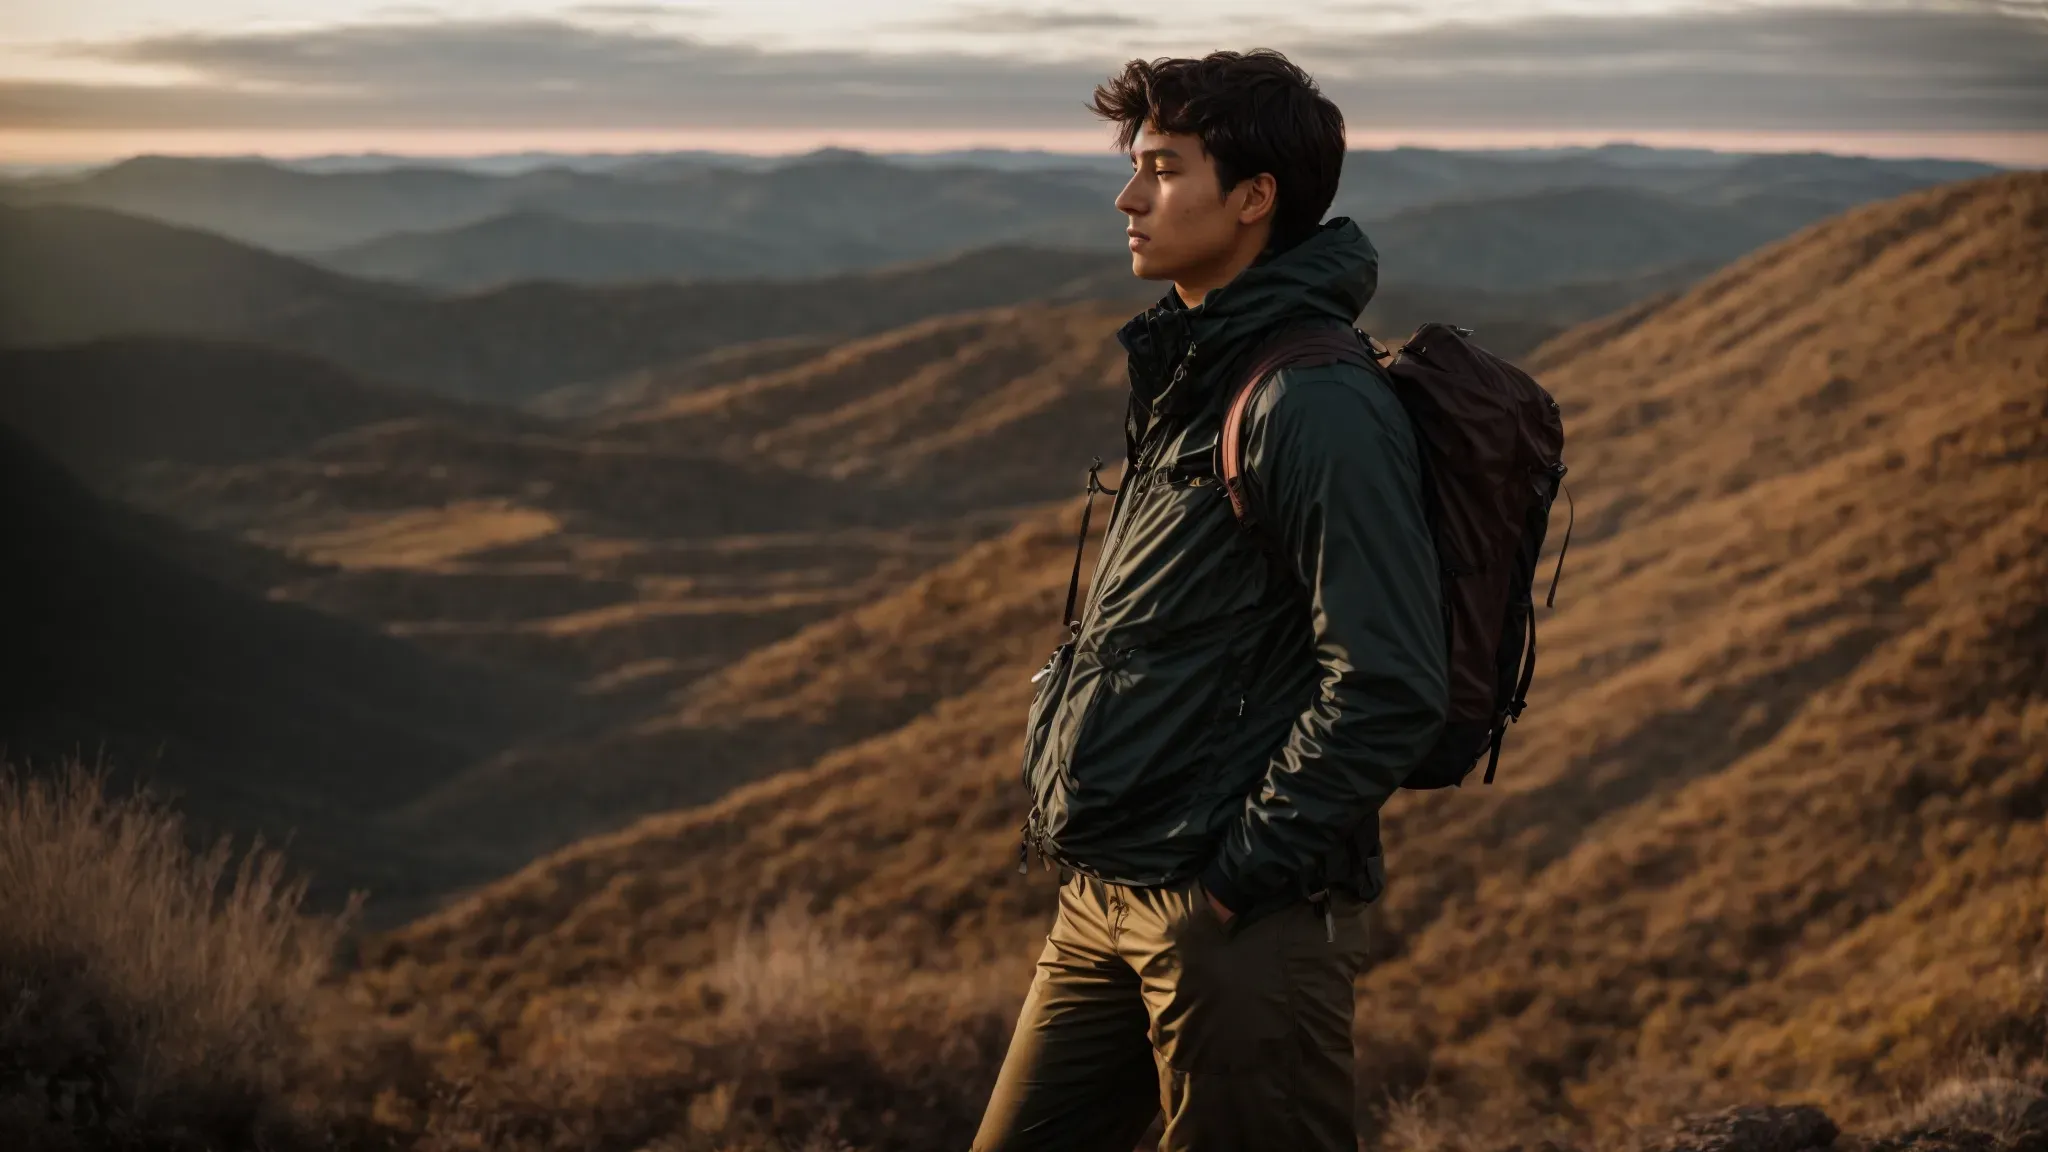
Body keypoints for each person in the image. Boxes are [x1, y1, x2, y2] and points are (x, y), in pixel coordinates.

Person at [974, 50, 1450, 1152]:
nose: (1127, 198)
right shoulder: (1200, 371)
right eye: (1135, 167)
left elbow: (1387, 680)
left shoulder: (1312, 401)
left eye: (1163, 168)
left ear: (1252, 198)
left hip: (1233, 916)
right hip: (1105, 891)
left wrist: (1235, 883)